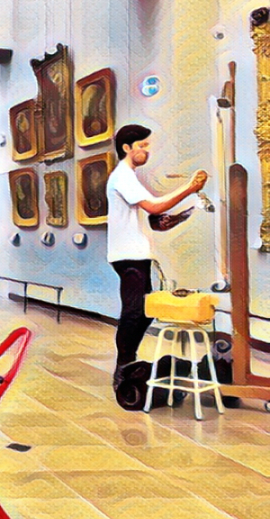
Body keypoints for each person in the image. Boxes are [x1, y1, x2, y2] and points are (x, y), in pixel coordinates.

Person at [107, 124, 208, 391]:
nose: (146, 151)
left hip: (135, 254)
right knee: (134, 312)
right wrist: (189, 188)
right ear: (127, 148)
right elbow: (153, 206)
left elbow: (151, 217)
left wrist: (177, 216)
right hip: (128, 254)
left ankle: (127, 361)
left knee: (144, 311)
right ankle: (123, 367)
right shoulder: (122, 176)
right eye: (142, 146)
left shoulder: (129, 177)